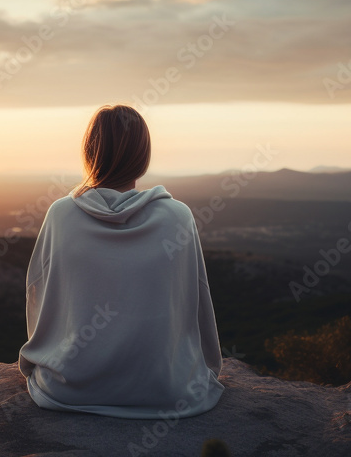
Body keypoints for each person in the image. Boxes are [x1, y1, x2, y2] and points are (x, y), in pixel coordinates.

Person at [17, 104, 225, 419]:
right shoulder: (178, 217)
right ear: (143, 155)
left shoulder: (61, 214)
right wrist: (206, 365)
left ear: (90, 151)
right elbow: (197, 300)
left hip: (69, 387)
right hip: (166, 389)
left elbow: (38, 295)